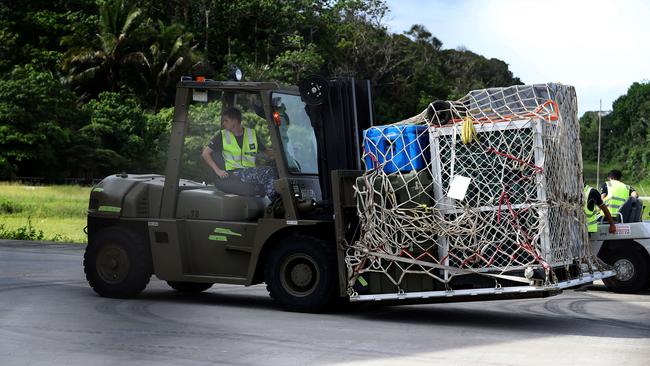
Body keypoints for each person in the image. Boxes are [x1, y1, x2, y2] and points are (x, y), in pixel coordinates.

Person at [201, 107, 278, 200]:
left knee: (275, 171)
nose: (223, 123)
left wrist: (281, 151)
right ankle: (276, 203)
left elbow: (266, 152)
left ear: (235, 121)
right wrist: (218, 170)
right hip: (234, 173)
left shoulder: (251, 134)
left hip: (249, 172)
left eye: (226, 120)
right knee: (268, 172)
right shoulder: (222, 135)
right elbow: (205, 153)